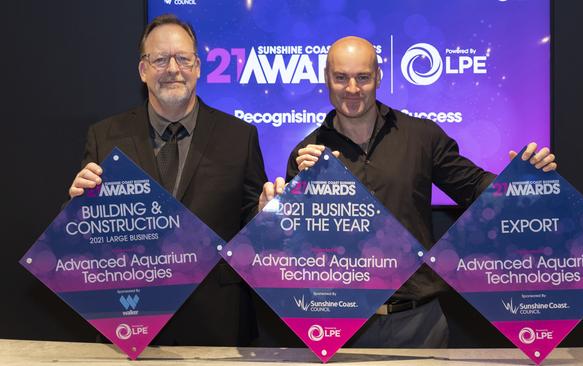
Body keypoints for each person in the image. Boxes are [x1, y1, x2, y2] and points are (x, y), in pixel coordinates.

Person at [259, 36, 556, 348]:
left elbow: (474, 186)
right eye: (341, 77)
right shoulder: (308, 155)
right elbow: (294, 248)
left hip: (419, 324)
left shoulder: (420, 136)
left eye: (363, 77)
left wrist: (523, 181)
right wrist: (272, 213)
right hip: (340, 324)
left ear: (378, 77)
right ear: (326, 79)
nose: (352, 89)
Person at [68, 14, 267, 346]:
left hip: (218, 324)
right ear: (143, 70)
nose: (173, 69)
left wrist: (264, 214)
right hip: (131, 320)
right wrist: (76, 208)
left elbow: (251, 226)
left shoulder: (240, 137)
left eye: (183, 58)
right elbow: (84, 235)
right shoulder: (105, 136)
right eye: (160, 59)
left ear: (199, 66)